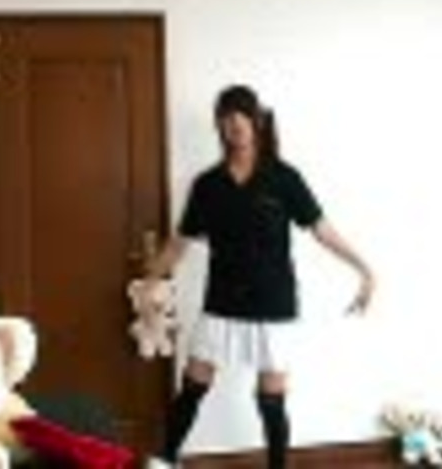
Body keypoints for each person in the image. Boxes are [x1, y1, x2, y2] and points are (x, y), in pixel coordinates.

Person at [143, 85, 376, 469]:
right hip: (222, 302)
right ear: (220, 125)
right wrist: (150, 280)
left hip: (273, 303)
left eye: (242, 115)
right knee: (193, 385)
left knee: (272, 399)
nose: (234, 123)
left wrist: (364, 268)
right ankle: (166, 460)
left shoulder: (284, 178)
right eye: (226, 116)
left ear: (258, 121)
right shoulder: (208, 184)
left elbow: (321, 230)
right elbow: (179, 244)